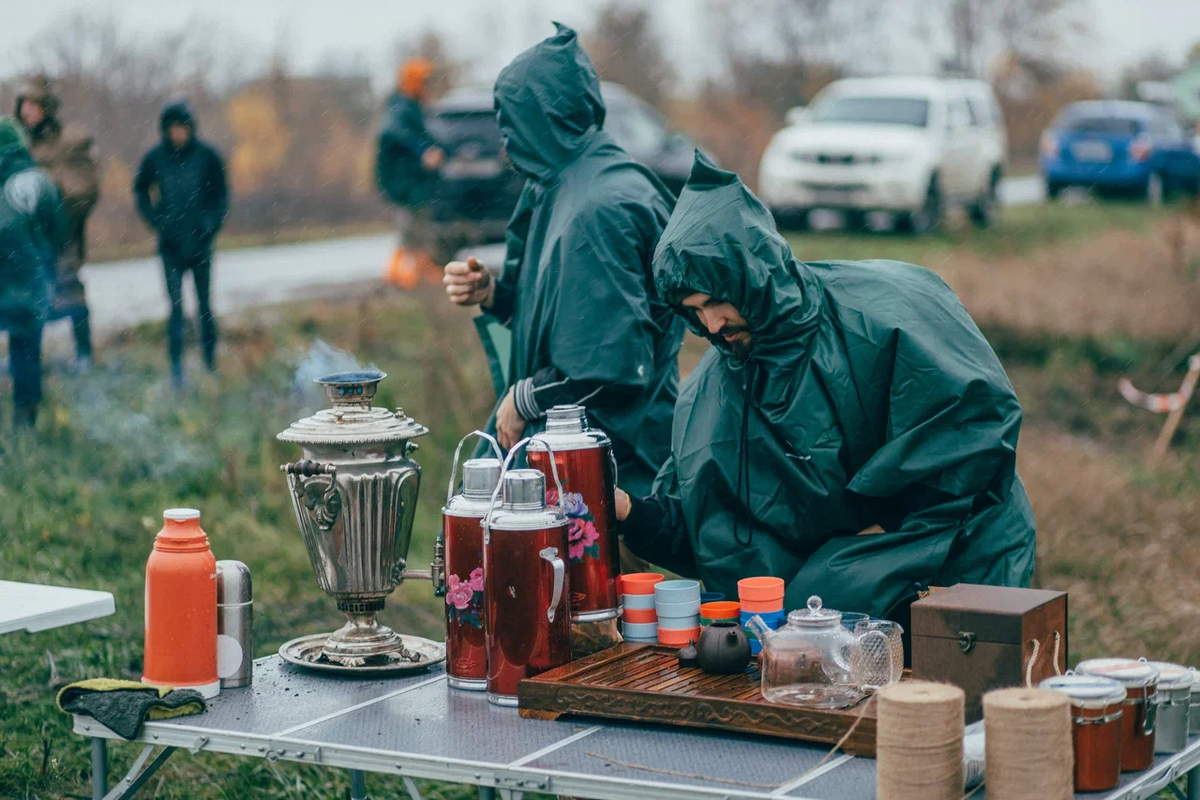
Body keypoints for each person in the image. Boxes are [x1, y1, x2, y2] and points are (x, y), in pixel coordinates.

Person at [614, 153, 1036, 627]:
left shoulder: (883, 315)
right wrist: (630, 512)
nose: (711, 324)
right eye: (693, 311)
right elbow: (706, 527)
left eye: (716, 301)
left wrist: (875, 527)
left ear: (753, 277)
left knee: (949, 672)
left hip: (958, 546)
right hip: (832, 591)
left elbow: (976, 429)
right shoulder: (713, 392)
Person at [442, 23, 684, 501]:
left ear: (543, 119)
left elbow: (610, 365)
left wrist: (526, 398)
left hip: (609, 467)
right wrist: (495, 295)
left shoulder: (598, 210)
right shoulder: (568, 182)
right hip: (576, 453)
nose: (505, 143)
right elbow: (570, 316)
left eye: (512, 123)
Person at [133, 99, 228, 387]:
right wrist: (157, 221)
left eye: (182, 127)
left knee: (205, 307)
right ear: (165, 129)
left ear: (190, 127)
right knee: (175, 309)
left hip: (201, 244)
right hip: (170, 247)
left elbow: (221, 195)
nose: (178, 133)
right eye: (173, 128)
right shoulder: (155, 158)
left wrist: (210, 224)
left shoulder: (208, 156)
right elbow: (140, 190)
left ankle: (210, 364)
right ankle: (177, 371)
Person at [15, 75, 100, 371]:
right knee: (29, 298)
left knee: (71, 292)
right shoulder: (18, 147)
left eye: (33, 104)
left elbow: (85, 190)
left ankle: (84, 355)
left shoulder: (69, 142)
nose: (27, 110)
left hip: (63, 236)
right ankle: (30, 363)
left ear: (46, 107)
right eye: (23, 104)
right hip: (28, 240)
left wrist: (50, 198)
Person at [0, 116, 67, 430]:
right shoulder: (37, 181)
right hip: (29, 281)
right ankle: (25, 419)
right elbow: (58, 229)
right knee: (25, 348)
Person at [377, 59, 445, 289]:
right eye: (423, 81)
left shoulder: (411, 107)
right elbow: (398, 133)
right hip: (401, 180)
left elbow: (426, 136)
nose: (427, 86)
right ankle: (396, 272)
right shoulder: (401, 107)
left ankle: (421, 269)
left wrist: (445, 150)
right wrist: (424, 152)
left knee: (418, 222)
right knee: (411, 224)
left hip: (411, 180)